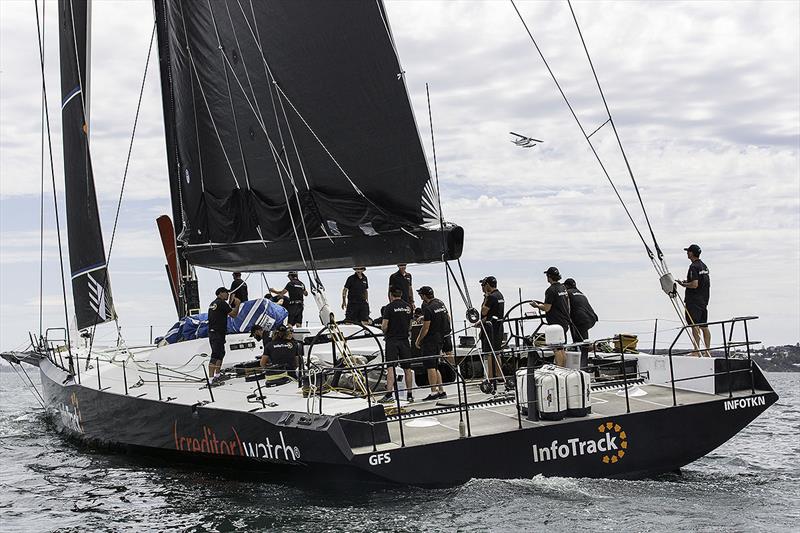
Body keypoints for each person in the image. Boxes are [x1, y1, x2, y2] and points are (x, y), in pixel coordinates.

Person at [379, 287, 415, 403]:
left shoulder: (389, 308)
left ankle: (389, 394)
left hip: (392, 340)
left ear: (391, 295)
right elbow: (410, 325)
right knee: (407, 368)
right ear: (401, 294)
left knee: (391, 367)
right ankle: (410, 394)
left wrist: (385, 331)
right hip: (404, 340)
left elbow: (384, 326)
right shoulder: (408, 307)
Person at [531, 267, 570, 367]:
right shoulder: (563, 288)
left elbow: (547, 308)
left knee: (556, 349)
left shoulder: (550, 290)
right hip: (565, 321)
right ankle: (563, 369)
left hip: (556, 323)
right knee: (562, 348)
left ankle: (559, 369)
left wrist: (536, 306)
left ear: (549, 277)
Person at [414, 286, 448, 401]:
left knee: (430, 366)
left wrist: (418, 340)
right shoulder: (440, 303)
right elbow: (447, 317)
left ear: (423, 296)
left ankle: (433, 392)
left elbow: (425, 328)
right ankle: (441, 390)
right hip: (440, 337)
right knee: (436, 365)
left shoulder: (428, 308)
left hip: (430, 340)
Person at [678, 244, 711, 357]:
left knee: (694, 325)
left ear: (692, 253)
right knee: (704, 327)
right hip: (704, 300)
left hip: (694, 301)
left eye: (688, 251)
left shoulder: (693, 267)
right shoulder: (704, 266)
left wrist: (683, 284)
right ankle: (707, 352)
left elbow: (694, 284)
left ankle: (696, 351)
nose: (687, 253)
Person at [564, 278, 598, 370]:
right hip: (591, 318)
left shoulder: (568, 293)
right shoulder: (580, 293)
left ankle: (584, 363)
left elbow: (565, 307)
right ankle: (589, 349)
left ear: (566, 286)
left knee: (580, 342)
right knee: (583, 339)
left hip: (581, 319)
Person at [207, 286, 241, 382]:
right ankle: (211, 379)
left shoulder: (213, 303)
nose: (228, 295)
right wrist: (238, 305)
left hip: (215, 332)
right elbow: (233, 315)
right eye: (226, 293)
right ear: (221, 293)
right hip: (217, 332)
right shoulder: (221, 303)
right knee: (215, 354)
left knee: (221, 353)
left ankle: (217, 375)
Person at [479, 276, 505, 381]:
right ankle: (499, 375)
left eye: (483, 285)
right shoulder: (500, 295)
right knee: (496, 352)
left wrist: (485, 298)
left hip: (490, 329)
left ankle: (490, 377)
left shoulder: (491, 297)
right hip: (498, 327)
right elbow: (494, 313)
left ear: (488, 285)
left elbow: (483, 312)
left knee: (489, 353)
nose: (482, 288)